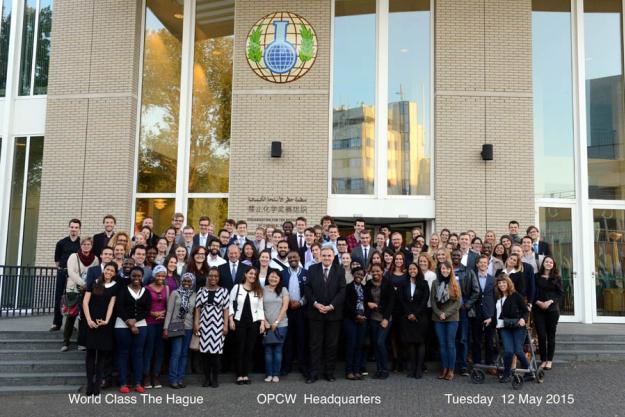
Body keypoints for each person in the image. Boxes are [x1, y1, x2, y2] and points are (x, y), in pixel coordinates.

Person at [304, 247, 346, 383]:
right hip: (315, 313)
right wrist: (315, 304)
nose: (327, 258)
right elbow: (307, 288)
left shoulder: (339, 270)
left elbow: (342, 290)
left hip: (333, 314)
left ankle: (329, 373)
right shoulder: (312, 269)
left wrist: (331, 306)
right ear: (320, 256)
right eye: (324, 255)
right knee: (315, 344)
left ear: (333, 257)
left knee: (331, 345)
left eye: (329, 255)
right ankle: (313, 373)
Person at [82, 261, 118, 395]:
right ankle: (89, 384)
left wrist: (106, 321)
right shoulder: (95, 283)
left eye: (112, 271)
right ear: (104, 270)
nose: (109, 272)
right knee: (90, 355)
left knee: (102, 358)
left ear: (114, 274)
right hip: (91, 323)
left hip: (104, 325)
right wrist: (89, 320)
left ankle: (97, 385)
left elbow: (111, 305)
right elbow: (85, 302)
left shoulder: (115, 286)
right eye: (107, 270)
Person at [115, 267, 151, 394]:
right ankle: (123, 383)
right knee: (123, 353)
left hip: (141, 325)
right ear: (129, 277)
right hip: (122, 325)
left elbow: (147, 310)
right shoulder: (123, 290)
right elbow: (119, 307)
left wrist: (135, 321)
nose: (136, 279)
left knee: (138, 353)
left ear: (142, 277)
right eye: (133, 276)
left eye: (138, 276)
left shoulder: (146, 292)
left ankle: (138, 382)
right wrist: (128, 322)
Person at [229, 267, 266, 384]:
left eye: (255, 274)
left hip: (253, 323)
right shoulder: (237, 287)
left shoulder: (258, 290)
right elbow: (230, 303)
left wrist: (262, 322)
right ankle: (239, 375)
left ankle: (245, 374)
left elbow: (260, 307)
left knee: (249, 349)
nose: (253, 276)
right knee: (240, 348)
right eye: (250, 273)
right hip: (239, 322)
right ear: (245, 274)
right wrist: (230, 319)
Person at [194, 267, 229, 388]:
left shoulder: (224, 291)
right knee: (205, 355)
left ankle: (215, 379)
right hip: (204, 325)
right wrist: (196, 324)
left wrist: (225, 325)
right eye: (211, 275)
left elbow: (226, 309)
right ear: (207, 277)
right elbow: (197, 309)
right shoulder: (201, 290)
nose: (213, 278)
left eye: (216, 276)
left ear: (218, 278)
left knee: (216, 355)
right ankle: (206, 378)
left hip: (218, 326)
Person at [62, 237, 99, 351]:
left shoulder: (95, 259)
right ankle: (66, 342)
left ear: (91, 246)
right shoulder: (74, 256)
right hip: (74, 289)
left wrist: (88, 286)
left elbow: (95, 273)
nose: (86, 246)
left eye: (88, 244)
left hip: (88, 291)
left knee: (83, 317)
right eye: (84, 244)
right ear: (81, 245)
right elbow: (71, 272)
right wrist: (83, 283)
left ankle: (81, 342)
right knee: (71, 316)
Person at [494, 274, 531, 383]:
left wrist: (523, 319)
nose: (501, 285)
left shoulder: (516, 295)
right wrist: (490, 319)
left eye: (504, 282)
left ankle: (529, 372)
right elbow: (496, 313)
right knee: (508, 351)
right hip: (504, 327)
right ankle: (506, 374)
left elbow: (525, 310)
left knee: (518, 351)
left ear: (508, 283)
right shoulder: (497, 297)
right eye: (499, 283)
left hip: (517, 326)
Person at [163, 272, 196, 389]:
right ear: (181, 281)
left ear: (192, 283)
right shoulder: (175, 293)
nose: (186, 283)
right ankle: (173, 379)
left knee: (184, 354)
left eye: (189, 281)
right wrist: (165, 328)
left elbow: (194, 312)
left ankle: (180, 378)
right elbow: (169, 311)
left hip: (188, 327)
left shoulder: (194, 295)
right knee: (176, 353)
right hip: (176, 325)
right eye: (184, 281)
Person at [450, 248, 480, 376]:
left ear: (461, 256)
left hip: (463, 311)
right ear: (451, 256)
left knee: (463, 339)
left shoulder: (468, 271)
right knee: (451, 338)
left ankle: (463, 366)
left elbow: (476, 290)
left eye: (458, 255)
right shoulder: (446, 270)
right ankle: (451, 364)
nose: (456, 256)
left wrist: (467, 305)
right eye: (454, 255)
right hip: (449, 311)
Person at [431, 261, 461, 381]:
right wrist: (439, 313)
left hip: (452, 317)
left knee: (450, 344)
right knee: (442, 345)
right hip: (438, 317)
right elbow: (432, 301)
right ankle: (444, 368)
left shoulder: (455, 282)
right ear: (440, 269)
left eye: (447, 269)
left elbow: (458, 302)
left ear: (450, 270)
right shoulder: (435, 283)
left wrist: (446, 313)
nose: (445, 271)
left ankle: (451, 370)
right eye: (443, 269)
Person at [399, 262, 430, 379]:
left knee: (420, 342)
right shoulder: (403, 284)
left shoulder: (424, 283)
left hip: (420, 317)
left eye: (414, 269)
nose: (412, 270)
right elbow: (401, 300)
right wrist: (409, 314)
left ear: (418, 270)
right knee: (410, 343)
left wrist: (415, 314)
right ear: (408, 271)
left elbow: (424, 300)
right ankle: (412, 368)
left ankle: (419, 368)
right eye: (410, 269)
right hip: (407, 317)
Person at [281, 251, 309, 377]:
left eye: (295, 257)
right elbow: (279, 290)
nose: (292, 259)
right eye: (290, 257)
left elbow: (309, 292)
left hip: (301, 311)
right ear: (287, 259)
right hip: (286, 311)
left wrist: (301, 302)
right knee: (288, 340)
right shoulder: (282, 274)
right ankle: (287, 366)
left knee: (301, 339)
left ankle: (303, 366)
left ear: (299, 258)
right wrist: (287, 302)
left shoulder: (306, 273)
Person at [51, 219, 82, 332]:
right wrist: (63, 269)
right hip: (63, 272)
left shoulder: (81, 244)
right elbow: (57, 260)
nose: (73, 229)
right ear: (69, 228)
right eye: (72, 227)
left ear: (79, 229)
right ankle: (56, 323)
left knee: (73, 298)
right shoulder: (61, 243)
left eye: (76, 227)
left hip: (75, 275)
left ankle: (70, 325)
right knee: (59, 297)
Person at [364, 264, 393, 379]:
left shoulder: (388, 284)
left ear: (382, 271)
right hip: (373, 318)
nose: (375, 273)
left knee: (380, 342)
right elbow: (365, 298)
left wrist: (386, 318)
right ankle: (379, 369)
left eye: (378, 271)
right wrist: (368, 303)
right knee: (375, 344)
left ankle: (385, 369)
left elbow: (391, 303)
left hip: (385, 318)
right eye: (373, 272)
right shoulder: (368, 284)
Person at [533, 256, 563, 370]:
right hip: (538, 309)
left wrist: (550, 302)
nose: (548, 263)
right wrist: (538, 302)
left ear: (553, 264)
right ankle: (543, 360)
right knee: (541, 335)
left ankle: (549, 360)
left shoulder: (557, 278)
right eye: (547, 261)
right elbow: (533, 291)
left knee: (551, 336)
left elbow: (560, 294)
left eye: (551, 262)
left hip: (552, 310)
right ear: (543, 263)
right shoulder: (536, 277)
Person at [143, 265, 169, 389]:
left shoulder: (167, 289)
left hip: (162, 323)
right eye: (159, 275)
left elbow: (169, 305)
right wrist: (153, 313)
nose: (161, 277)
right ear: (154, 275)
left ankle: (156, 376)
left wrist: (163, 313)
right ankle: (147, 376)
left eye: (163, 275)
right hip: (149, 322)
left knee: (160, 350)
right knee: (149, 350)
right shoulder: (147, 289)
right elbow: (143, 306)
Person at [262, 270, 289, 382]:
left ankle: (276, 374)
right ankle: (269, 374)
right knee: (268, 350)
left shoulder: (283, 290)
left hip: (281, 324)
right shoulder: (263, 290)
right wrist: (265, 321)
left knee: (278, 350)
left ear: (279, 279)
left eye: (276, 277)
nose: (273, 279)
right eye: (272, 277)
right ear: (268, 277)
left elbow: (285, 306)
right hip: (267, 324)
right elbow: (259, 307)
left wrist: (277, 322)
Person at [385, 251, 409, 372]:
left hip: (403, 308)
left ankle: (402, 360)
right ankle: (394, 359)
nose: (399, 261)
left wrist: (397, 290)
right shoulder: (389, 274)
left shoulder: (406, 274)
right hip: (391, 308)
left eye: (401, 259)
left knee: (402, 335)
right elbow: (386, 289)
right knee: (392, 336)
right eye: (397, 259)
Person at [343, 266, 367, 380]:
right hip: (350, 319)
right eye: (357, 273)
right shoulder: (347, 288)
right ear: (353, 274)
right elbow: (346, 304)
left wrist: (362, 316)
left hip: (362, 319)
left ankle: (357, 370)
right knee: (351, 345)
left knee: (359, 345)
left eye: (362, 274)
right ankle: (349, 371)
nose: (359, 276)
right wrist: (355, 316)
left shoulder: (364, 288)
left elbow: (367, 303)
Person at [473, 255, 496, 367]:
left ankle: (489, 363)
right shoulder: (472, 277)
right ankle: (477, 363)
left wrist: (491, 315)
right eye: (480, 262)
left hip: (489, 314)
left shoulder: (493, 279)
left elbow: (494, 298)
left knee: (489, 340)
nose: (483, 264)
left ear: (488, 264)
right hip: (475, 312)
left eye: (485, 262)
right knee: (476, 340)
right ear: (477, 264)